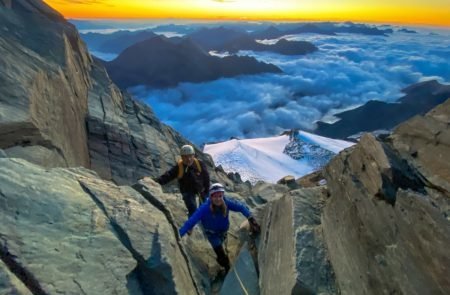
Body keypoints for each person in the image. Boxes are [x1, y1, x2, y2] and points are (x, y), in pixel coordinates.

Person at [179, 183, 261, 272]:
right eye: (215, 196)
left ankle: (222, 260)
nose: (218, 199)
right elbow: (191, 221)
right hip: (212, 235)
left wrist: (251, 219)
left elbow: (241, 207)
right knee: (222, 255)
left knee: (221, 247)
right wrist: (179, 235)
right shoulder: (204, 208)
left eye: (220, 196)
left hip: (223, 232)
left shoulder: (226, 202)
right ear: (211, 196)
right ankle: (226, 267)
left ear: (222, 196)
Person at [155, 144, 210, 217]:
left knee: (204, 207)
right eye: (185, 157)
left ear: (194, 155)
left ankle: (204, 220)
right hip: (187, 190)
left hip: (200, 188)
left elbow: (206, 177)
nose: (189, 159)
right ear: (181, 157)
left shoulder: (199, 163)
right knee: (192, 208)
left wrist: (206, 190)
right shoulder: (179, 167)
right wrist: (157, 181)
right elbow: (169, 175)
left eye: (190, 156)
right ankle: (192, 221)